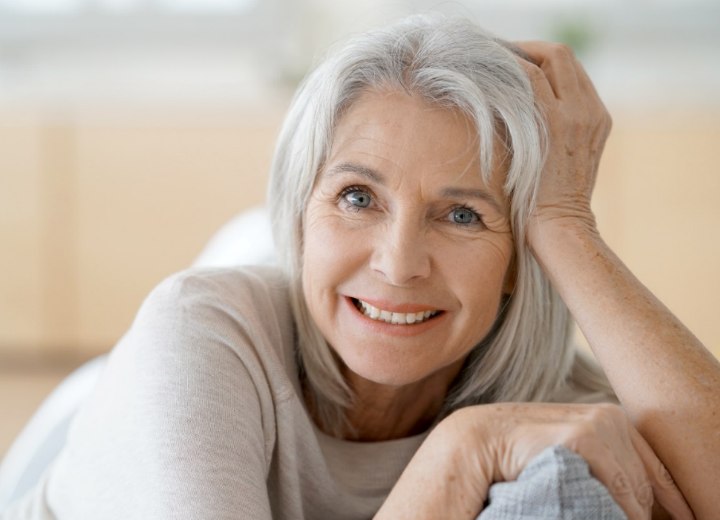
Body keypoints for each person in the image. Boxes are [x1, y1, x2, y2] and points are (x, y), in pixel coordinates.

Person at [2, 13, 718, 520]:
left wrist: (565, 222)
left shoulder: (555, 411)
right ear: (300, 206)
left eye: (462, 213)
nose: (400, 263)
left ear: (518, 259)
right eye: (356, 196)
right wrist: (460, 454)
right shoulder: (199, 334)